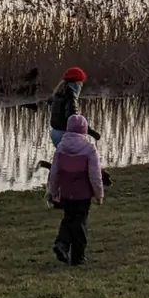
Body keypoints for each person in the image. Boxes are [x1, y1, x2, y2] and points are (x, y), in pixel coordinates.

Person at [47, 113, 104, 266]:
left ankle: (62, 244)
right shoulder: (89, 149)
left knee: (68, 219)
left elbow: (55, 172)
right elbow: (95, 174)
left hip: (66, 192)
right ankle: (78, 257)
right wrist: (99, 194)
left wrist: (53, 191)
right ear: (84, 130)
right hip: (83, 194)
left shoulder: (61, 147)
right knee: (80, 224)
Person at [45, 66, 112, 187]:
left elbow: (51, 104)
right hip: (64, 134)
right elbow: (74, 120)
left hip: (55, 132)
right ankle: (101, 179)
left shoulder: (58, 93)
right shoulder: (71, 96)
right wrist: (91, 132)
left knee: (68, 161)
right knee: (86, 158)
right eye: (80, 82)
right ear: (76, 82)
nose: (81, 85)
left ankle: (58, 183)